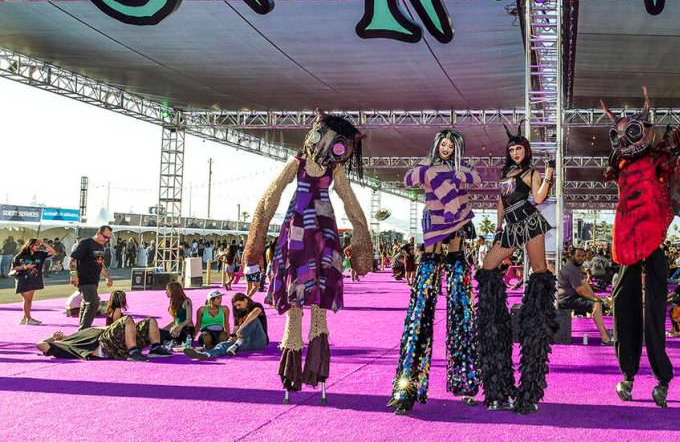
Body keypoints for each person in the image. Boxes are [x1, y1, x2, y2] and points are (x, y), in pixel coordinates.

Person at [242, 112, 373, 404]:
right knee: (295, 303)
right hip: (298, 237)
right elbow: (268, 199)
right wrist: (256, 240)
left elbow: (353, 206)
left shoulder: (334, 171)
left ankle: (313, 368)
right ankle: (296, 366)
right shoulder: (297, 163)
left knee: (318, 306)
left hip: (322, 239)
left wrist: (362, 239)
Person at [601, 88, 680, 408]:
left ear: (644, 130)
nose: (625, 137)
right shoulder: (620, 163)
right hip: (626, 243)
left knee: (654, 310)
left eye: (632, 130)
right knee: (624, 306)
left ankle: (661, 377)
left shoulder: (656, 160)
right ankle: (628, 374)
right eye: (619, 133)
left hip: (651, 242)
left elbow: (670, 179)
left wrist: (673, 155)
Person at [388, 130, 482, 415]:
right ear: (436, 146)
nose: (446, 148)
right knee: (420, 314)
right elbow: (408, 179)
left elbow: (476, 180)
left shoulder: (461, 170)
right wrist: (436, 176)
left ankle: (465, 380)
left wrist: (450, 178)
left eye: (451, 145)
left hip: (455, 238)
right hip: (433, 240)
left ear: (457, 149)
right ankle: (406, 386)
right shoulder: (427, 169)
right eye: (443, 144)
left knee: (461, 311)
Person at [475, 123, 557, 414]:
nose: (515, 152)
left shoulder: (531, 173)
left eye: (519, 148)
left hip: (530, 223)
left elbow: (537, 199)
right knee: (487, 267)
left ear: (526, 151)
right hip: (511, 226)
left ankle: (533, 370)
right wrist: (497, 229)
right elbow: (500, 203)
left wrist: (548, 177)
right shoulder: (504, 175)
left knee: (540, 276)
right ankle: (496, 326)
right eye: (511, 149)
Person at [36, 315, 171, 361]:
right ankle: (133, 353)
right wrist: (52, 339)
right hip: (104, 347)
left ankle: (156, 348)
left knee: (149, 321)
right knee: (126, 320)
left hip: (117, 342)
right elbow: (40, 344)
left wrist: (132, 328)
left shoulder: (77, 335)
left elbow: (106, 328)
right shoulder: (63, 345)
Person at [185, 293, 269, 360]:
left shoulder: (257, 306)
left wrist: (241, 328)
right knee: (224, 344)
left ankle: (236, 344)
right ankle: (206, 354)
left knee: (253, 319)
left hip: (259, 341)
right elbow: (236, 327)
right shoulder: (238, 310)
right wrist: (233, 336)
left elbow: (255, 313)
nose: (238, 307)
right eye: (236, 306)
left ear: (245, 300)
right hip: (245, 342)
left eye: (239, 305)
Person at [557, 247, 613, 345]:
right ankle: (604, 338)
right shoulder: (572, 269)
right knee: (596, 305)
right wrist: (596, 299)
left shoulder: (576, 267)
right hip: (566, 299)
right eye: (578, 255)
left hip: (570, 296)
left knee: (597, 303)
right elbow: (581, 291)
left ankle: (604, 332)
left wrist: (596, 297)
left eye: (583, 256)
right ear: (572, 256)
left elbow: (585, 283)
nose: (581, 258)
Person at [70, 225, 114, 330]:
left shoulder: (100, 246)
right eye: (105, 237)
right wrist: (74, 275)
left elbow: (99, 263)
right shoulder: (86, 243)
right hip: (84, 279)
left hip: (94, 280)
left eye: (109, 238)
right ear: (98, 233)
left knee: (86, 303)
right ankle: (84, 330)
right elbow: (73, 258)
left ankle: (81, 329)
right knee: (94, 302)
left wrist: (107, 277)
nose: (106, 240)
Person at [12, 238, 56, 325]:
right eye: (36, 245)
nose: (38, 246)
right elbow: (15, 268)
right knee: (26, 300)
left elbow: (53, 252)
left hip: (34, 280)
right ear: (30, 245)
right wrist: (26, 267)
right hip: (23, 279)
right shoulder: (20, 255)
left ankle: (24, 318)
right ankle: (29, 319)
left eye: (38, 245)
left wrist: (43, 243)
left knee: (29, 300)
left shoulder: (40, 254)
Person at [160, 281, 195, 348]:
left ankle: (172, 341)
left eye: (167, 290)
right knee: (158, 332)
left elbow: (189, 319)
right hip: (177, 328)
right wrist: (163, 329)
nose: (165, 292)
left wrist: (179, 327)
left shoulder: (186, 301)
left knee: (167, 335)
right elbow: (175, 321)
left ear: (173, 291)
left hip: (187, 329)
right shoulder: (173, 302)